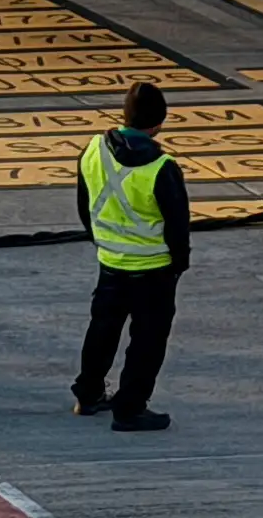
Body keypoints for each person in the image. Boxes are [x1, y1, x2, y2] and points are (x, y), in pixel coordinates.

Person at [72, 81, 191, 431]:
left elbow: (84, 204)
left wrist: (102, 242)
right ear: (159, 123)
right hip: (153, 269)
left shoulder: (94, 149)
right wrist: (178, 264)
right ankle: (130, 408)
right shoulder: (162, 166)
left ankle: (88, 394)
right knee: (147, 341)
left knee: (102, 330)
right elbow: (177, 225)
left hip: (110, 261)